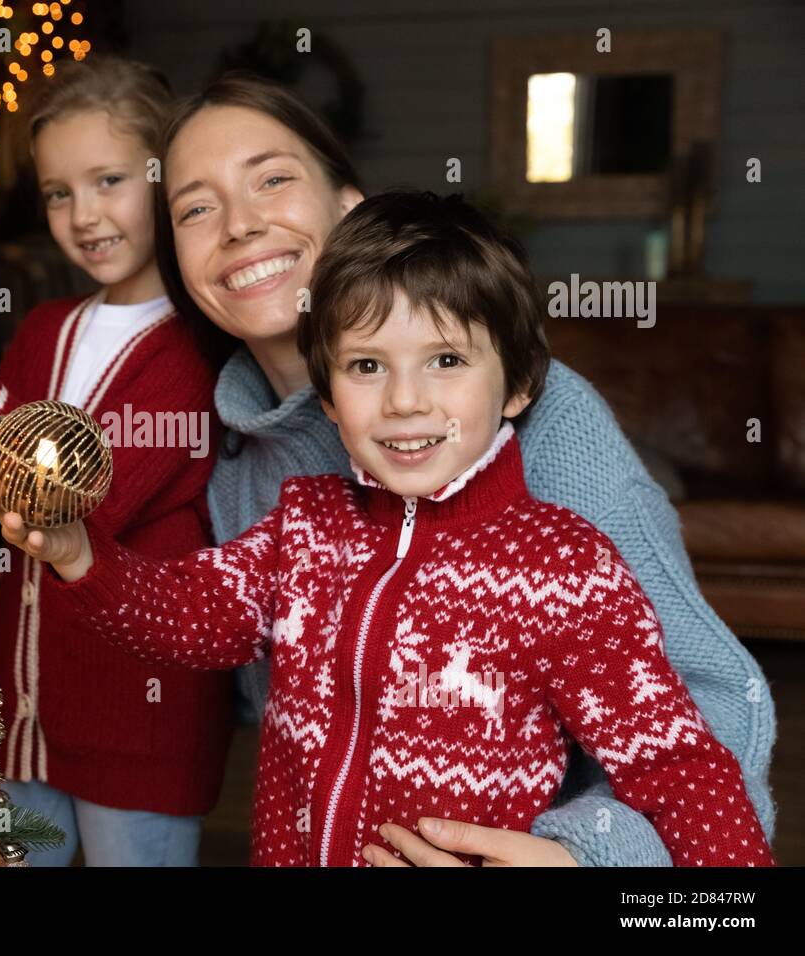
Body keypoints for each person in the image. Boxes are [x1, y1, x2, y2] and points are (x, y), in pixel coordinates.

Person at [0, 189, 775, 868]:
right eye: (366, 365)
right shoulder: (308, 525)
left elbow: (684, 776)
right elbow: (190, 616)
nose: (405, 401)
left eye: (446, 360)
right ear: (328, 398)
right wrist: (78, 552)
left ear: (520, 381)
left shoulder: (563, 568)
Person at [148, 72, 775, 867]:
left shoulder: (548, 422)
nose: (238, 225)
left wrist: (582, 856)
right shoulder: (235, 458)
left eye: (271, 178)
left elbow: (712, 721)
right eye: (195, 207)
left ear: (351, 210)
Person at [0, 56, 235, 866]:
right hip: (21, 718)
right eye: (58, 193)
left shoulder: (196, 346)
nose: (83, 215)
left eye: (109, 180)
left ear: (163, 180)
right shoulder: (46, 327)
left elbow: (85, 502)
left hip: (141, 723)